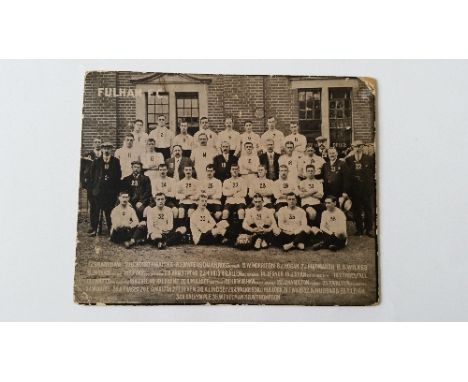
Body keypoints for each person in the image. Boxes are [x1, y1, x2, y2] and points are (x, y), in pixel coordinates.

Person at [88, 142, 122, 236]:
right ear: (102, 149)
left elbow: (118, 176)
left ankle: (110, 229)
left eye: (108, 148)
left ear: (111, 150)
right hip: (98, 191)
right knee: (96, 210)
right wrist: (93, 189)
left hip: (110, 191)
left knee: (110, 211)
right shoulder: (96, 162)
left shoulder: (116, 161)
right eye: (105, 148)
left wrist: (116, 191)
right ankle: (95, 229)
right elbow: (92, 176)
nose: (106, 150)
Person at [345, 140, 375, 237]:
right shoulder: (349, 159)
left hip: (366, 188)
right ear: (352, 148)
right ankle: (359, 229)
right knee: (357, 210)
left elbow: (372, 173)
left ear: (362, 147)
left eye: (359, 146)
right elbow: (348, 176)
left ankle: (369, 229)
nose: (357, 148)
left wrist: (370, 185)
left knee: (368, 209)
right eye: (355, 146)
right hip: (355, 189)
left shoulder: (369, 159)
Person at [175, 164, 200, 229]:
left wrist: (193, 196)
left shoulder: (196, 182)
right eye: (186, 170)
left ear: (192, 171)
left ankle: (189, 230)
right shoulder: (180, 182)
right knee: (181, 210)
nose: (188, 171)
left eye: (190, 170)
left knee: (190, 211)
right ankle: (181, 229)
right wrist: (184, 195)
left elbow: (198, 193)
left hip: (193, 201)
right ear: (184, 171)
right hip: (183, 201)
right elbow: (177, 195)